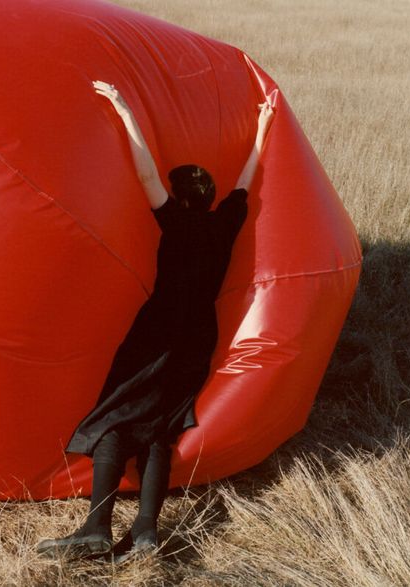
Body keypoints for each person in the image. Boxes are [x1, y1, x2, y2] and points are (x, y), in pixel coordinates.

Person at [37, 80, 275, 562]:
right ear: (209, 198)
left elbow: (145, 171)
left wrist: (124, 110)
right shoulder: (223, 223)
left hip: (160, 330)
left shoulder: (176, 222)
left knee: (113, 418)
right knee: (160, 429)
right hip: (196, 337)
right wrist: (264, 128)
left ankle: (96, 528)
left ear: (178, 195)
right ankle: (145, 533)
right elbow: (247, 180)